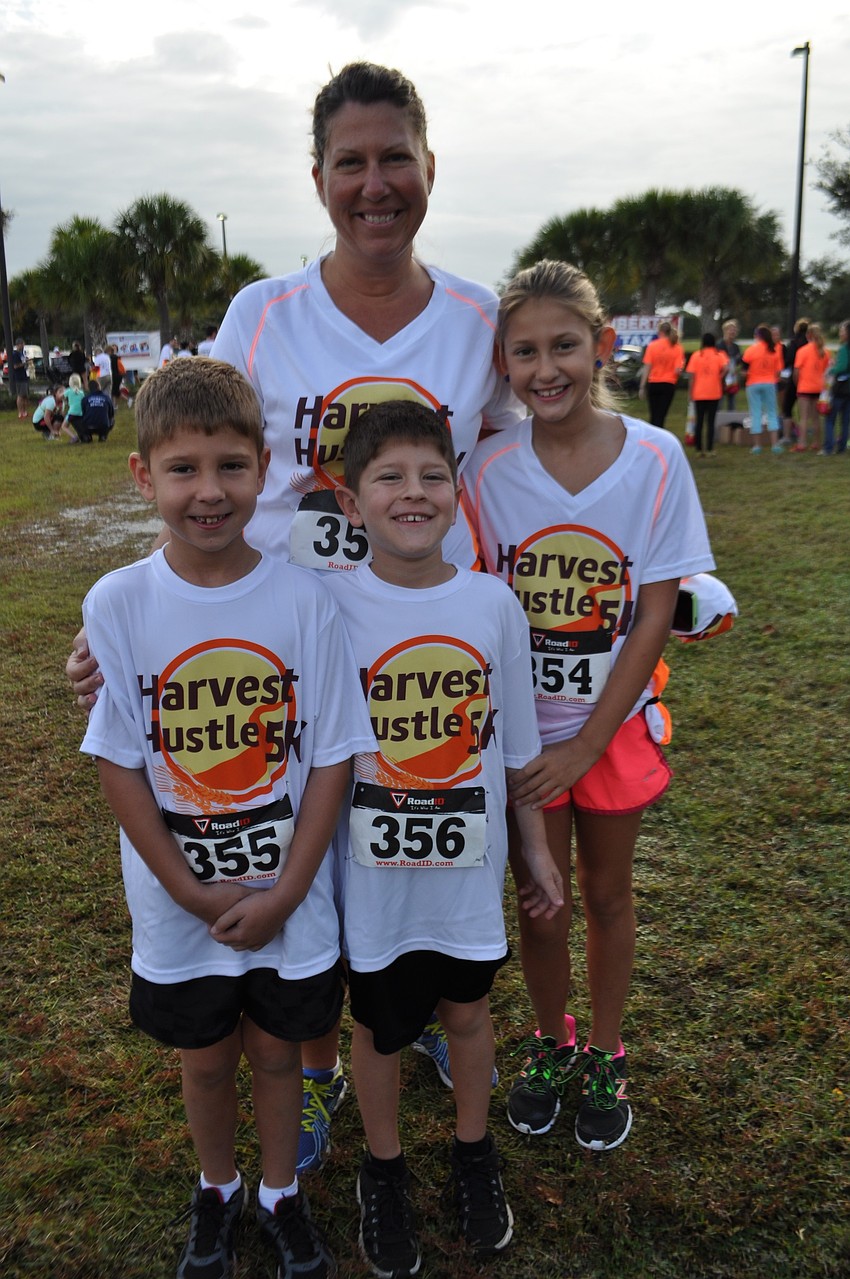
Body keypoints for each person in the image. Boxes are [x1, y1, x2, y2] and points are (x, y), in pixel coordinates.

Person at [66, 61, 522, 1175]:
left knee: (404, 834)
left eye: (395, 159)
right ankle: (313, 1072)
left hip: (418, 637)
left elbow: (518, 463)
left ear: (429, 167)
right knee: (308, 860)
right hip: (286, 643)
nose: (376, 184)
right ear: (318, 177)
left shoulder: (475, 318)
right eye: (352, 163)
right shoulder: (259, 313)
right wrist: (138, 628)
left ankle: (410, 1004)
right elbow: (202, 461)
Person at [79, 357, 375, 1279]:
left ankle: (281, 1193)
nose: (209, 492)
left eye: (231, 467)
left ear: (265, 466)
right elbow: (120, 762)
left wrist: (288, 889)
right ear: (143, 477)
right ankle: (218, 1187)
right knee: (206, 1060)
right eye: (183, 468)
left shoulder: (305, 601)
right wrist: (193, 890)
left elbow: (331, 753)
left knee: (280, 1056)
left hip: (289, 902)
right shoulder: (119, 603)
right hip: (181, 904)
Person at [463, 259, 715, 1153]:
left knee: (606, 894)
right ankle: (549, 1040)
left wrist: (589, 742)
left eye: (564, 344)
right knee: (541, 897)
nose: (546, 368)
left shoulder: (655, 456)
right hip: (521, 735)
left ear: (601, 346)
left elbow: (654, 610)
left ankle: (604, 1050)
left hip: (607, 731)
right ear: (503, 363)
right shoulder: (486, 468)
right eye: (523, 351)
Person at [326, 400, 562, 1276]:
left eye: (432, 475)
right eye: (388, 476)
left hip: (467, 872)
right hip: (372, 875)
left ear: (459, 492)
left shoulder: (492, 605)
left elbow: (516, 745)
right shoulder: (325, 602)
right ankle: (382, 1169)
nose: (413, 493)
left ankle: (473, 1150)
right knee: (381, 1024)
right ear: (351, 503)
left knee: (467, 1011)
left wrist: (533, 848)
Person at [685, 333, 729, 457]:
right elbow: (727, 368)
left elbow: (691, 377)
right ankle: (710, 448)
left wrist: (690, 393)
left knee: (699, 421)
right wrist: (719, 377)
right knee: (711, 421)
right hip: (714, 392)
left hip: (699, 393)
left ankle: (699, 449)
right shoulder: (719, 355)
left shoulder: (696, 355)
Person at [743, 325, 784, 454]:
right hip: (769, 383)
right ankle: (775, 444)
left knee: (756, 413)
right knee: (772, 412)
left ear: (757, 336)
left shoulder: (751, 350)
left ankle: (757, 446)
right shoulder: (774, 350)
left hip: (753, 384)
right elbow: (778, 371)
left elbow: (744, 369)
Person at [638, 321, 684, 429]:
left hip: (654, 383)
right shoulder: (677, 348)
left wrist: (642, 386)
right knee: (662, 415)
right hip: (668, 383)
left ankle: (652, 436)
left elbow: (647, 367)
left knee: (653, 414)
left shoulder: (652, 346)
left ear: (660, 332)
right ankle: (659, 437)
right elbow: (678, 369)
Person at [793, 322, 831, 453]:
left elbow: (796, 371)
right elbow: (827, 371)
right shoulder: (826, 352)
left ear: (808, 335)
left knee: (803, 418)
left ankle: (802, 443)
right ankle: (816, 442)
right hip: (819, 388)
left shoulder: (802, 351)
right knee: (816, 418)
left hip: (805, 387)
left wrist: (797, 383)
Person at [823, 320, 850, 456]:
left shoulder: (844, 348)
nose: (840, 333)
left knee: (830, 419)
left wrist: (831, 369)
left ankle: (828, 447)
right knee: (845, 420)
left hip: (840, 389)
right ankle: (842, 447)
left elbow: (842, 367)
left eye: (842, 331)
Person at [781, 317, 809, 444]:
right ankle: (806, 434)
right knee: (806, 410)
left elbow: (789, 359)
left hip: (795, 378)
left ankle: (787, 436)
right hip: (809, 379)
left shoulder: (794, 343)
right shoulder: (810, 343)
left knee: (787, 407)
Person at [79, 378, 115, 442]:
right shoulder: (106, 398)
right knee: (112, 420)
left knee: (80, 419)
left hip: (88, 426)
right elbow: (111, 413)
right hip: (103, 426)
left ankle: (87, 436)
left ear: (89, 388)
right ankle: (103, 435)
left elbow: (83, 413)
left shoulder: (85, 399)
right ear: (98, 386)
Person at [62, 373, 86, 441]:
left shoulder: (68, 391)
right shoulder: (81, 392)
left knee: (64, 426)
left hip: (72, 412)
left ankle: (74, 437)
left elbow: (62, 398)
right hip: (80, 412)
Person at [11, 337, 30, 419]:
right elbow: (15, 366)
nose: (23, 346)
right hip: (19, 377)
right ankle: (20, 412)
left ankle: (25, 412)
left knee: (25, 395)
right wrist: (24, 364)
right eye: (21, 344)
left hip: (24, 375)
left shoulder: (22, 353)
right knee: (20, 395)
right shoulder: (15, 354)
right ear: (18, 345)